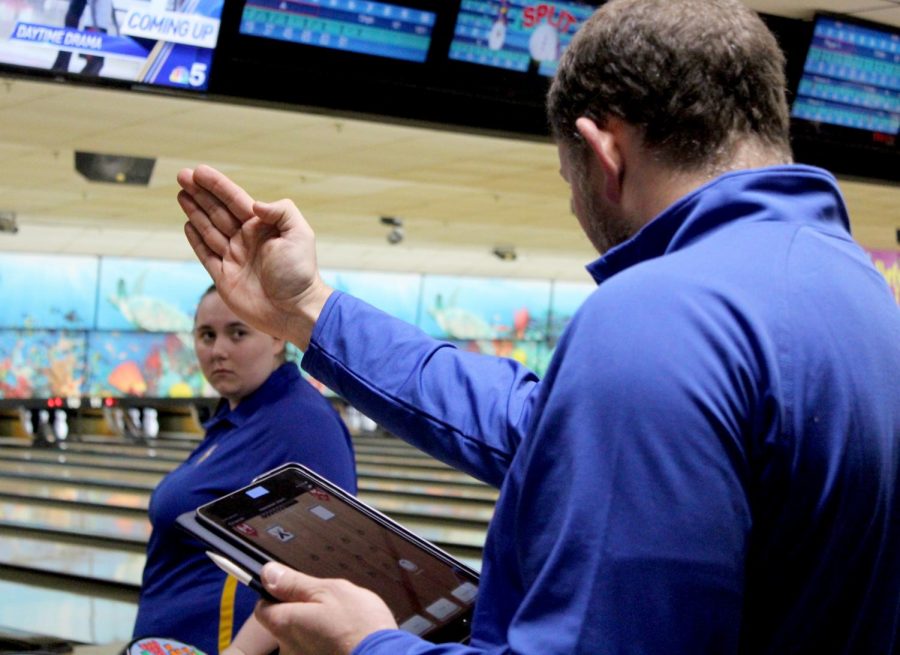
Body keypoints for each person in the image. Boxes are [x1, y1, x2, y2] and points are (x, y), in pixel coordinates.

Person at [175, 0, 900, 652]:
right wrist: (307, 307)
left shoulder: (656, 311)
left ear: (603, 147)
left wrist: (368, 644)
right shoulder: (861, 296)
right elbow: (539, 422)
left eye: (567, 175)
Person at [131, 285, 357, 655]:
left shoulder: (301, 422)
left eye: (238, 332)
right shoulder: (238, 418)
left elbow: (322, 565)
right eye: (207, 335)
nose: (218, 350)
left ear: (275, 336)